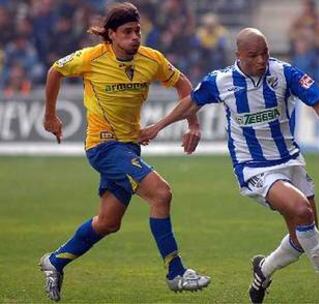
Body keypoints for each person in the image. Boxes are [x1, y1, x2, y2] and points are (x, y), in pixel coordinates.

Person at [139, 28, 319, 303]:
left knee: (303, 237)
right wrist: (157, 126)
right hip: (254, 167)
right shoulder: (221, 81)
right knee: (302, 211)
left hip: (291, 160)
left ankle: (263, 270)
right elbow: (190, 104)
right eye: (253, 55)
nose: (261, 60)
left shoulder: (283, 73)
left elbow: (318, 101)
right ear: (238, 56)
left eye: (265, 53)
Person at [39, 2, 210, 302]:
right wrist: (50, 115)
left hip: (129, 146)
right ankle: (176, 273)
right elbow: (56, 70)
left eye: (138, 31)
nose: (135, 38)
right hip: (102, 146)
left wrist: (192, 124)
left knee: (108, 222)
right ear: (111, 36)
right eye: (127, 32)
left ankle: (55, 261)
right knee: (161, 193)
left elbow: (184, 85)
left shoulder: (151, 59)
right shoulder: (91, 58)